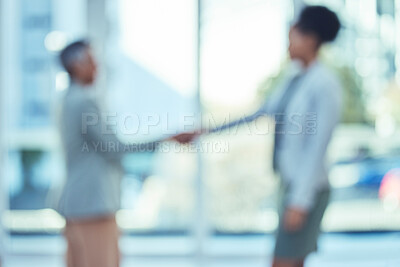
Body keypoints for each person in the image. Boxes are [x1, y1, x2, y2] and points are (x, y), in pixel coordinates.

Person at [194, 5, 342, 267]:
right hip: (290, 184)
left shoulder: (325, 84)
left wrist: (299, 201)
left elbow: (317, 148)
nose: (288, 40)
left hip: (307, 189)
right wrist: (204, 131)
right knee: (292, 261)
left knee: (283, 261)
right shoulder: (294, 78)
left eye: (292, 33)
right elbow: (258, 113)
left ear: (310, 38)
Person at [57, 40, 193, 267]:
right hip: (93, 206)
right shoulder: (84, 102)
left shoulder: (67, 100)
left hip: (77, 205)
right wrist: (167, 138)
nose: (97, 66)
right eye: (91, 60)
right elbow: (115, 148)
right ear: (76, 65)